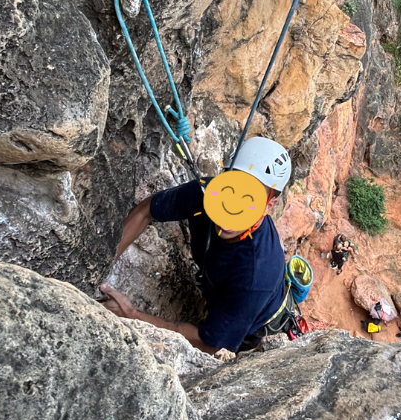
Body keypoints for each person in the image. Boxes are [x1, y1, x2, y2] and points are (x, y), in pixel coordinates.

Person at [99, 136, 293, 355]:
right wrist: (102, 266)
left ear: (270, 205)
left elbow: (210, 344)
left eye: (250, 200)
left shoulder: (257, 273)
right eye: (230, 189)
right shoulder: (205, 194)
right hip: (221, 286)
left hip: (255, 324)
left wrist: (133, 316)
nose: (231, 208)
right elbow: (147, 210)